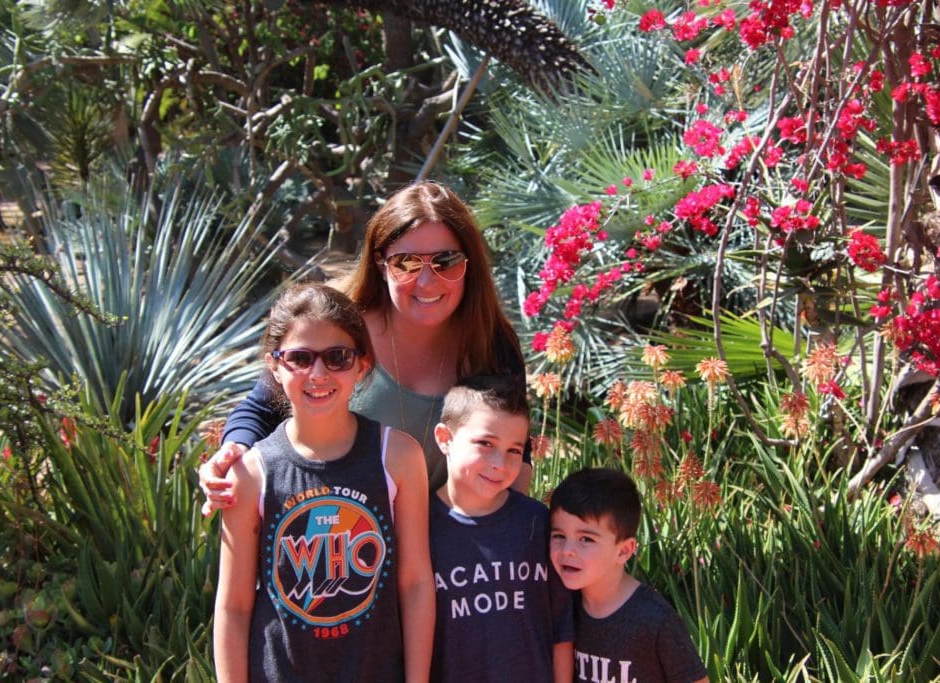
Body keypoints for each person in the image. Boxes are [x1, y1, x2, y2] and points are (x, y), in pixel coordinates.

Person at [202, 181, 531, 513]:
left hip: (445, 551)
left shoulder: (491, 342)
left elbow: (518, 452)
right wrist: (232, 452)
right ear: (380, 264)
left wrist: (506, 538)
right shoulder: (335, 325)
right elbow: (261, 409)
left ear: (469, 264)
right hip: (335, 543)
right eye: (406, 263)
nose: (427, 281)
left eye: (446, 261)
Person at [213, 282, 434, 682]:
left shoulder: (399, 458)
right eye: (300, 358)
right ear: (275, 367)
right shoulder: (250, 474)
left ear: (362, 365)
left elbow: (416, 582)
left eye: (337, 357)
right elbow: (233, 605)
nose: (318, 373)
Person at [429, 374, 574, 683]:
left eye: (514, 450)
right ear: (445, 439)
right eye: (486, 443)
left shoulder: (537, 522)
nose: (500, 463)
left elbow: (563, 626)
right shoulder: (419, 527)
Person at [549, 468, 709, 683]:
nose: (567, 549)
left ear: (624, 550)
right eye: (559, 535)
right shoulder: (564, 604)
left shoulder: (654, 619)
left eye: (586, 539)